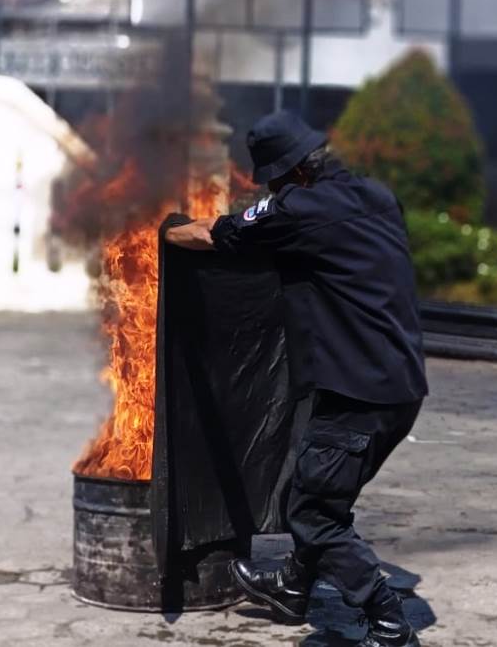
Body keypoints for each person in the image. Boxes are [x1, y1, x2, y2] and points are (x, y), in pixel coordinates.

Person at [166, 110, 427, 647]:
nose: (277, 188)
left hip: (359, 392)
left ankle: (386, 619)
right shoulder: (377, 196)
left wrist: (164, 232)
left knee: (311, 512)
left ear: (297, 173)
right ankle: (292, 586)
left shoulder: (302, 208)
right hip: (398, 387)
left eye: (278, 179)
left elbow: (217, 234)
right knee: (319, 492)